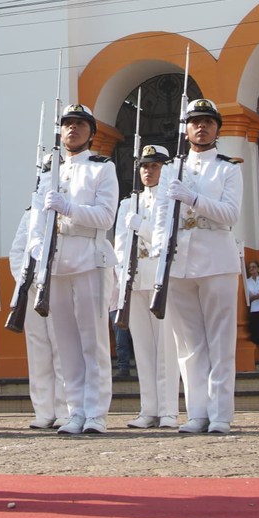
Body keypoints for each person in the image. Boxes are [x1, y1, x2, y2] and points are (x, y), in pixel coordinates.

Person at [33, 105, 117, 435]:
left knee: (92, 341)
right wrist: (36, 247)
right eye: (67, 124)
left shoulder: (102, 168)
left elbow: (105, 217)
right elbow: (38, 218)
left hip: (89, 257)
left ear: (91, 132)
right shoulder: (49, 169)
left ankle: (96, 412)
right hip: (57, 261)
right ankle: (75, 410)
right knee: (65, 342)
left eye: (80, 124)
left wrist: (68, 207)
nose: (73, 130)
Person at [164, 98, 244, 434]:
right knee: (189, 343)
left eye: (208, 121)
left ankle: (221, 413)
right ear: (185, 130)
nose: (201, 126)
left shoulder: (228, 168)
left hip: (216, 256)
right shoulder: (172, 169)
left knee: (220, 340)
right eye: (195, 121)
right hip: (180, 259)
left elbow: (230, 214)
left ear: (217, 129)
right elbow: (159, 217)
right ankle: (197, 411)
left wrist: (194, 199)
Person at [116, 143, 180, 429]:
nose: (148, 171)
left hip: (159, 278)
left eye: (154, 166)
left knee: (166, 348)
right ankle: (148, 408)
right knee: (142, 347)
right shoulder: (128, 203)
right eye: (144, 166)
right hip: (136, 278)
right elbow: (119, 244)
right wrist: (122, 276)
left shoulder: (170, 200)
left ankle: (168, 410)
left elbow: (165, 237)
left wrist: (140, 225)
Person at [10, 206, 65, 429]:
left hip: (57, 284)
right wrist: (25, 282)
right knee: (37, 351)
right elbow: (17, 251)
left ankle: (64, 409)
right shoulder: (30, 214)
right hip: (33, 289)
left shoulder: (64, 210)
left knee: (61, 349)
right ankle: (43, 409)